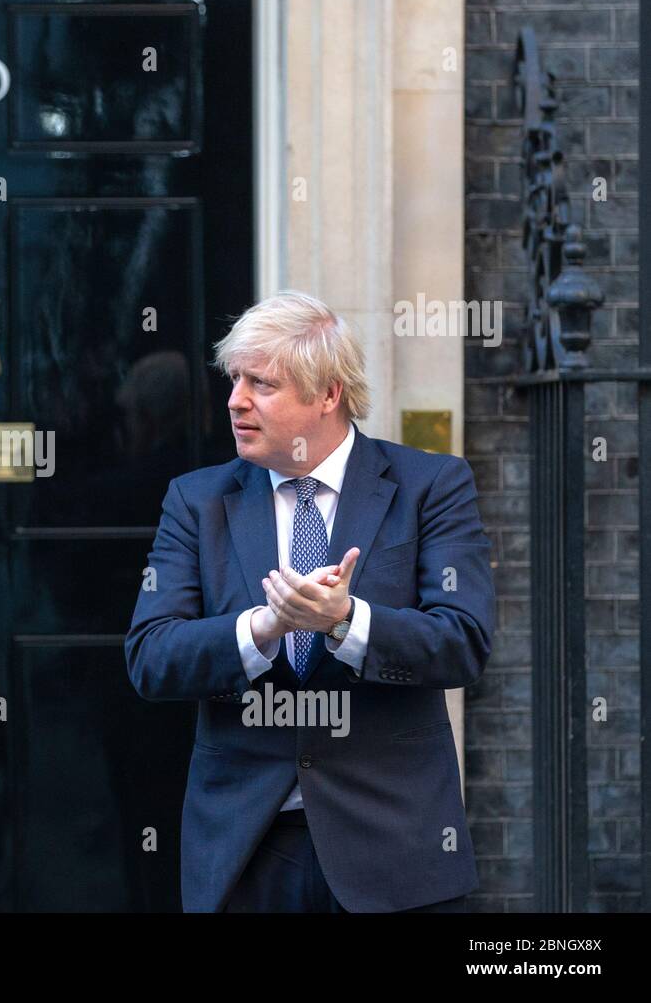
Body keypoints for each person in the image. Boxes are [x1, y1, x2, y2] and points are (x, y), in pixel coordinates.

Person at [124, 290, 494, 913]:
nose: (236, 400)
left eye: (262, 383)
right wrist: (262, 628)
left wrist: (347, 622)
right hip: (246, 852)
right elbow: (151, 657)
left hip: (394, 848)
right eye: (235, 378)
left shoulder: (430, 485)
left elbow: (463, 642)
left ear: (328, 395)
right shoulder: (196, 501)